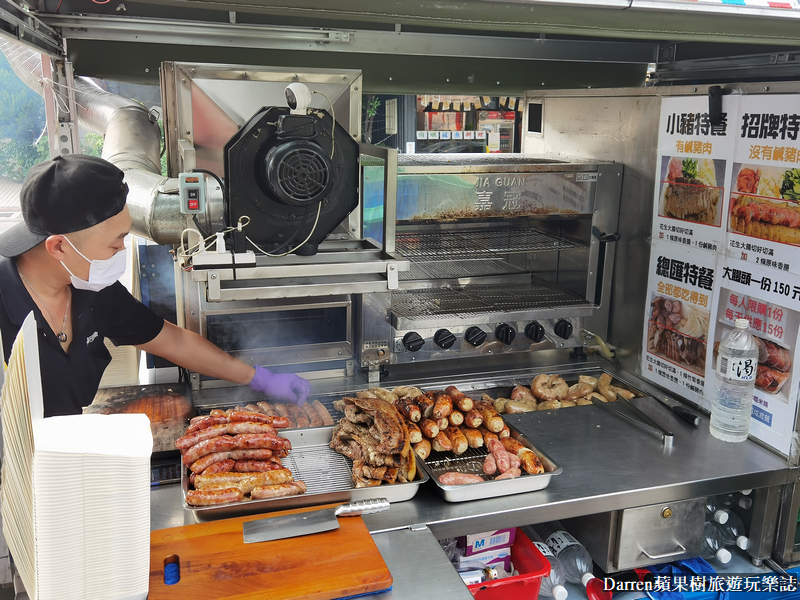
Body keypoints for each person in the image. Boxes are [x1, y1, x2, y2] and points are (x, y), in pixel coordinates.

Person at [0, 154, 310, 417]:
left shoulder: (95, 291)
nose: (122, 250)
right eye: (115, 242)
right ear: (58, 247)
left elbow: (173, 342)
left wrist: (261, 378)